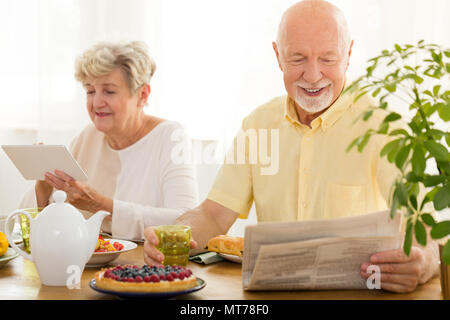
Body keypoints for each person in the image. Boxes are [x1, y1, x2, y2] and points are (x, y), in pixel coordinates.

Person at [143, 0, 439, 292]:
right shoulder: (257, 125)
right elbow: (214, 215)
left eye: (328, 59)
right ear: (278, 56)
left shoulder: (385, 128)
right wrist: (170, 235)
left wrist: (423, 263)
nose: (312, 76)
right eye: (298, 59)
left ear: (348, 54)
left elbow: (428, 231)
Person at [19, 41, 199, 240]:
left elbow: (186, 220)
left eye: (109, 91)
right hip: (89, 265)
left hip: (147, 265)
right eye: (90, 91)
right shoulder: (88, 136)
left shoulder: (170, 136)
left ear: (142, 95)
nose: (96, 103)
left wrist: (100, 205)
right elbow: (32, 227)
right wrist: (43, 188)